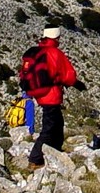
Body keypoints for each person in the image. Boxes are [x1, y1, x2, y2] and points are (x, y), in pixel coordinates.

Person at [26, 25, 78, 169]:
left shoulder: (38, 51)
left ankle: (55, 152)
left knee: (57, 123)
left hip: (41, 95)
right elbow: (69, 76)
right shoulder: (55, 53)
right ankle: (35, 159)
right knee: (49, 128)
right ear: (56, 37)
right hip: (51, 95)